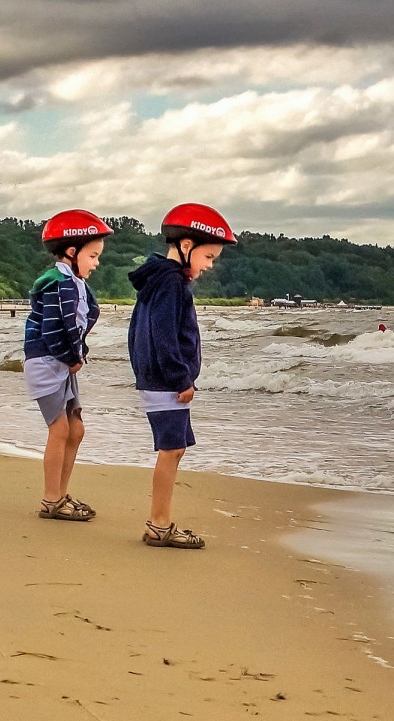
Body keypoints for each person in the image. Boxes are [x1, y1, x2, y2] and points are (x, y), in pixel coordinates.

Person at [128, 202, 236, 549]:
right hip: (166, 382)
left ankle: (159, 522)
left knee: (174, 449)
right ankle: (159, 524)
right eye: (208, 256)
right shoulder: (171, 284)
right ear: (186, 246)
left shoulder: (159, 280)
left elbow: (138, 334)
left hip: (156, 378)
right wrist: (180, 379)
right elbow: (163, 335)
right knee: (171, 450)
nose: (209, 265)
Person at [23, 209, 112, 522]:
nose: (96, 263)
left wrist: (79, 352)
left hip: (60, 362)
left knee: (76, 429)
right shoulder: (58, 284)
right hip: (46, 362)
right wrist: (73, 358)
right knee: (60, 429)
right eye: (93, 255)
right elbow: (52, 329)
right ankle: (51, 499)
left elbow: (81, 323)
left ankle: (60, 495)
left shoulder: (75, 283)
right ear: (72, 252)